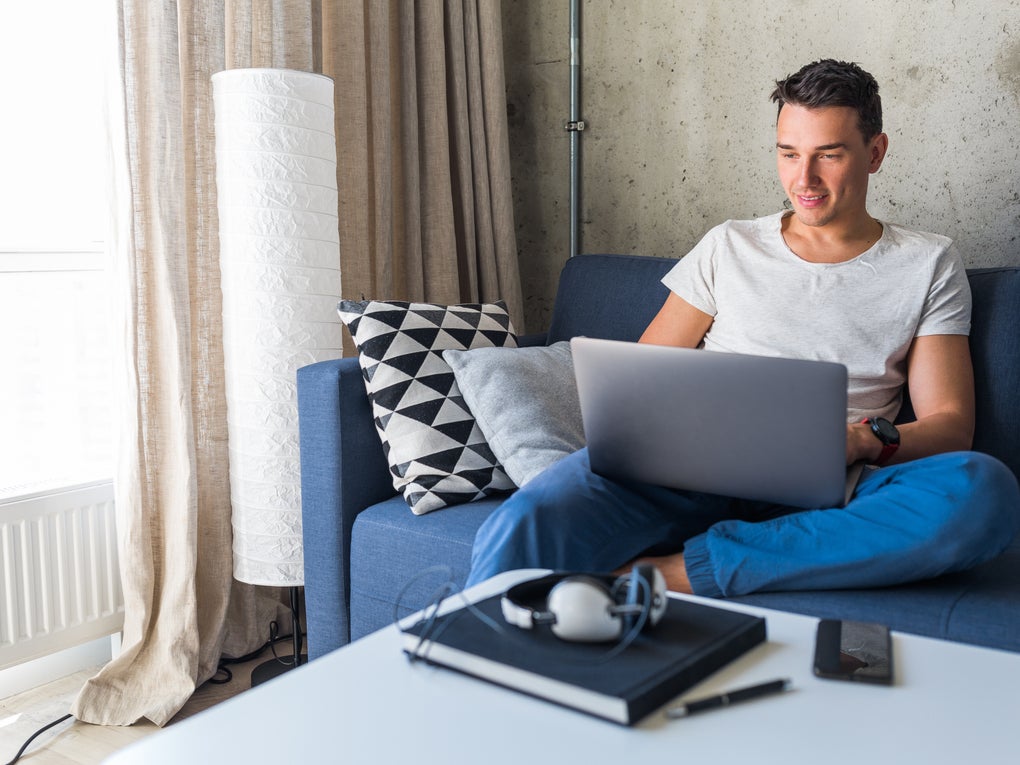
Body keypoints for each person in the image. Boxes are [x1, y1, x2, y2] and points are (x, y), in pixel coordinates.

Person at [466, 59, 1020, 595]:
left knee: (981, 492)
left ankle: (676, 572)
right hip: (687, 473)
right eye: (788, 154)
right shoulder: (729, 244)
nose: (804, 179)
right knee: (526, 520)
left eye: (828, 155)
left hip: (836, 488)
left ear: (875, 153)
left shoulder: (928, 262)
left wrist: (858, 441)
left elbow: (950, 427)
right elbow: (642, 380)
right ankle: (466, 653)